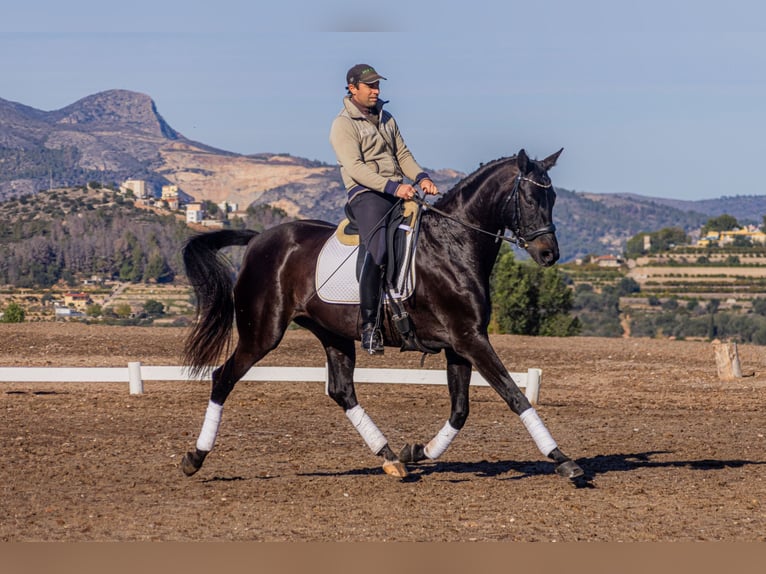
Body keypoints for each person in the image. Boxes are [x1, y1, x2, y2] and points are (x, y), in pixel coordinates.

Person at [329, 63, 439, 355]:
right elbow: (354, 167)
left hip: (397, 191)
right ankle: (369, 326)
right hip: (367, 195)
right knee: (377, 252)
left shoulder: (386, 118)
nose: (376, 91)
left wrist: (421, 177)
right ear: (353, 88)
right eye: (370, 86)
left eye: (378, 86)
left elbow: (402, 154)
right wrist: (393, 188)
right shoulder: (343, 124)